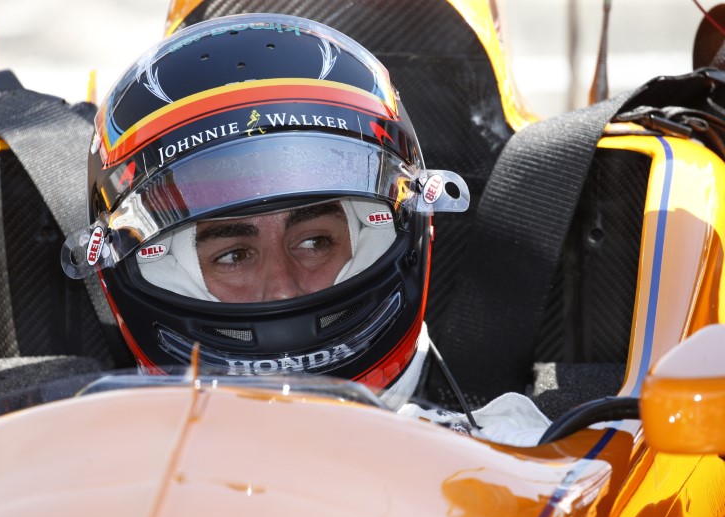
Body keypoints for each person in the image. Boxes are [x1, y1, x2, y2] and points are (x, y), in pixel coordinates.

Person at [61, 13, 549, 445]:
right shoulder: (82, 479)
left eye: (315, 242)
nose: (282, 287)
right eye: (233, 255)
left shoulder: (517, 460)